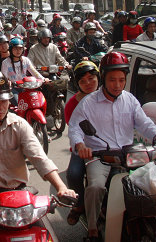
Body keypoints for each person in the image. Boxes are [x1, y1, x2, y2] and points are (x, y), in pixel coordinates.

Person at [0, 71, 77, 241]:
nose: (1, 107)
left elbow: (39, 158)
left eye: (4, 101)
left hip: (19, 193)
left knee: (44, 234)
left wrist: (61, 187)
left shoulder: (19, 124)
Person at [68, 52, 156, 241]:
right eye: (112, 80)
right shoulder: (88, 103)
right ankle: (92, 229)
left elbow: (144, 123)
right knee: (95, 187)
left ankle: (153, 220)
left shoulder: (130, 100)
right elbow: (75, 128)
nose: (117, 85)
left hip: (129, 153)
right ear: (104, 79)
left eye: (121, 80)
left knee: (153, 182)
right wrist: (80, 144)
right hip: (100, 156)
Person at [63, 60, 100, 226]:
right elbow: (73, 128)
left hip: (108, 146)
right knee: (73, 174)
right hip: (82, 147)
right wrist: (81, 145)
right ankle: (78, 205)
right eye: (83, 81)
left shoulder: (109, 97)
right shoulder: (72, 104)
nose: (88, 83)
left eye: (91, 78)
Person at [1, 37, 46, 104]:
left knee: (35, 101)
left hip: (26, 86)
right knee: (18, 103)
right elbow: (4, 78)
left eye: (20, 48)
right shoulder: (5, 63)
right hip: (13, 88)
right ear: (11, 49)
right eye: (15, 48)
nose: (18, 51)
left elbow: (34, 72)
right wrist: (7, 82)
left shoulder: (26, 60)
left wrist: (43, 79)